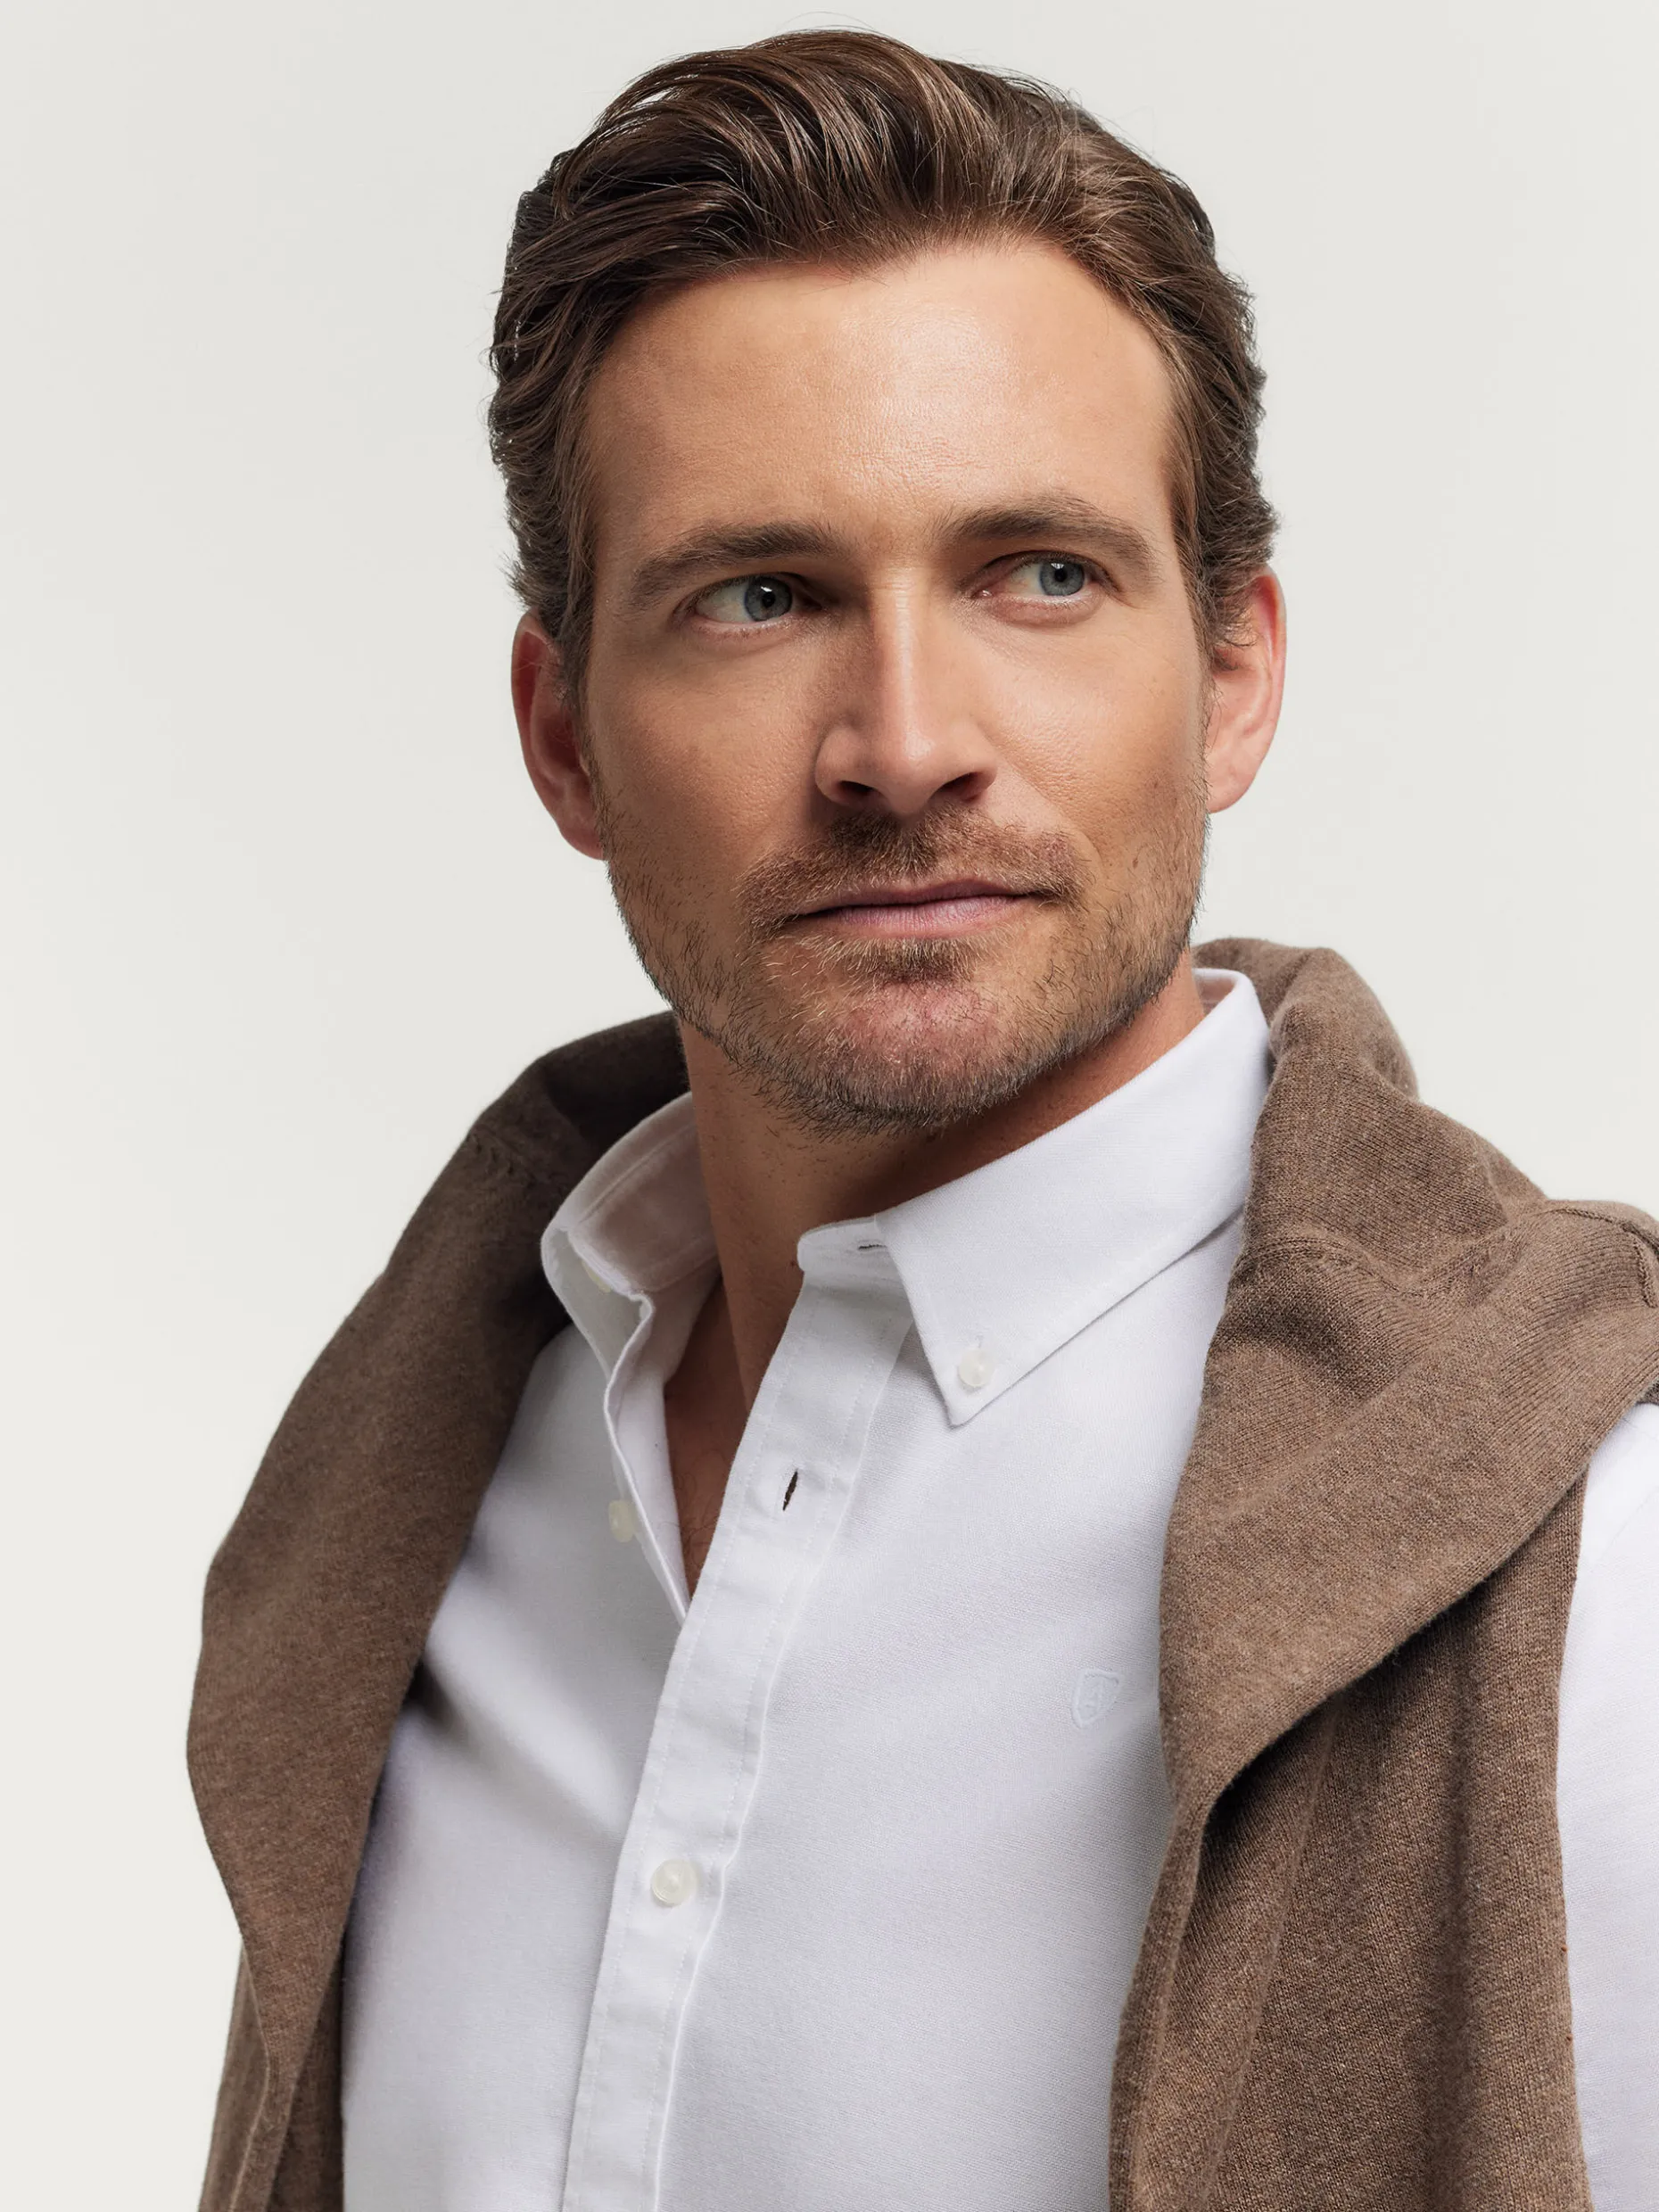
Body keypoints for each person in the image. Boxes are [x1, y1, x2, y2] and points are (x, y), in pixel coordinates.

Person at [188, 30, 1659, 2212]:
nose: (902, 743)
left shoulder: (1590, 1583)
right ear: (564, 732)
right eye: (759, 596)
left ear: (1234, 672)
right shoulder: (409, 1502)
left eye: (1037, 573)